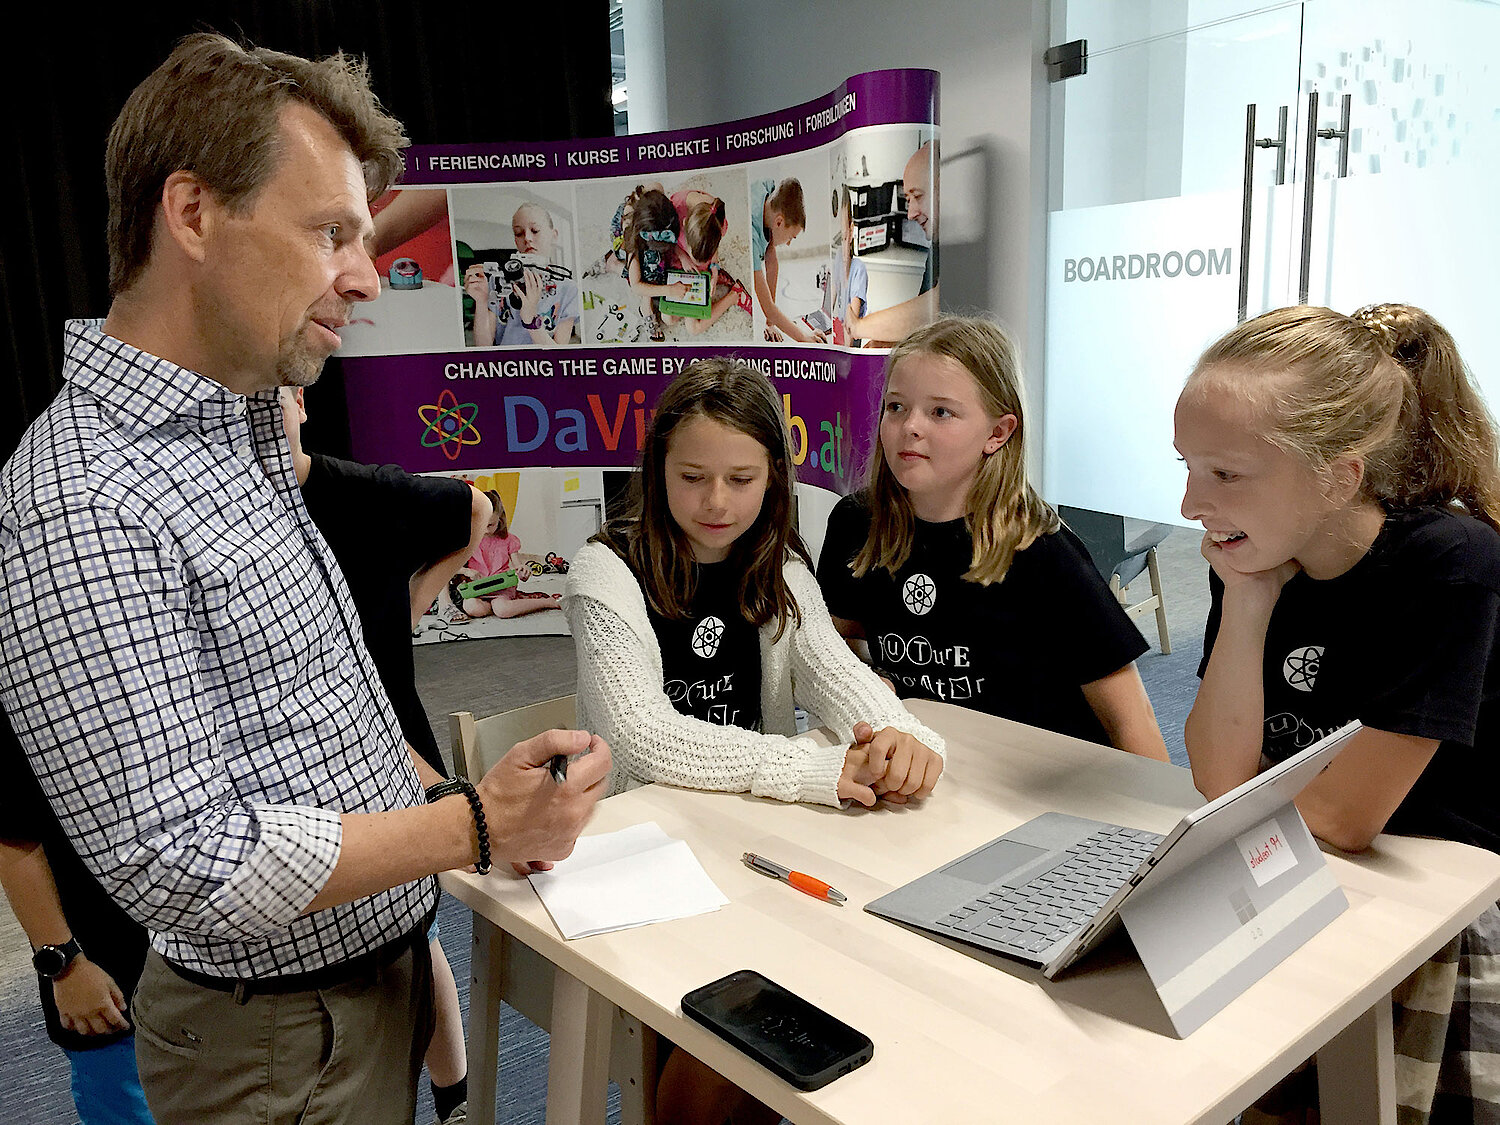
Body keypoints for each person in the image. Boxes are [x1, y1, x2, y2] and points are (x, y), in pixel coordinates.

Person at [0, 34, 609, 1125]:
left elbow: (312, 708)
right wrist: (471, 824)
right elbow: (183, 859)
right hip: (275, 1046)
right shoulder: (81, 495)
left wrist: (450, 796)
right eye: (331, 232)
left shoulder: (238, 431)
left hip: (356, 993)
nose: (368, 276)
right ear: (191, 215)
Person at [563, 356, 944, 1125]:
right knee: (738, 1015)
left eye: (741, 479)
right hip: (643, 852)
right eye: (692, 476)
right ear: (657, 468)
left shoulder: (780, 565)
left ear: (774, 475)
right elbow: (643, 739)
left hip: (749, 833)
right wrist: (813, 765)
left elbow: (841, 679)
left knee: (861, 968)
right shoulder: (603, 569)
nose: (715, 501)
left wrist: (901, 732)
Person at [1176, 302, 1500, 1124]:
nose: (1189, 504)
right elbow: (1220, 780)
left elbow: (1348, 817)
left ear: (1339, 475)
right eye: (1187, 466)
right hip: (1305, 872)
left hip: (1444, 911)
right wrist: (1247, 606)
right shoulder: (1258, 555)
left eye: (1225, 473)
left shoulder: (1449, 563)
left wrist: (1256, 801)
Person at [818, 316, 1169, 759]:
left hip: (1036, 786)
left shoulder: (1042, 552)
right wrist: (866, 685)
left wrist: (1159, 825)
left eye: (940, 412)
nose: (910, 427)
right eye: (896, 407)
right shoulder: (857, 523)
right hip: (934, 772)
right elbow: (833, 647)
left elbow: (1130, 720)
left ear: (998, 433)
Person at [281, 386, 487, 1125]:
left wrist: (411, 602)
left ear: (299, 398)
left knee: (412, 938)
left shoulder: (361, 492)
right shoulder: (232, 514)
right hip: (294, 774)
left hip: (388, 756)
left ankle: (454, 1100)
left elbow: (477, 510)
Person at [0, 708, 155, 1125]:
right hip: (100, 953)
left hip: (204, 946)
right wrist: (63, 963)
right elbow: (13, 838)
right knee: (125, 1095)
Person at [847, 141, 940, 347]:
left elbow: (938, 308)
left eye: (918, 196)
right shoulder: (936, 247)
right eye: (908, 200)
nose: (911, 214)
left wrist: (858, 326)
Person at [465, 201, 580, 346]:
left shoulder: (568, 289)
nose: (527, 238)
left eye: (535, 230)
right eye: (519, 233)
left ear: (554, 235)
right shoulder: (498, 281)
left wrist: (530, 320)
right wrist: (481, 302)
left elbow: (558, 353)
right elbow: (483, 346)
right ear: (515, 240)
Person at [455, 488, 564, 620]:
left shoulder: (508, 540)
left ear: (499, 520)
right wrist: (467, 571)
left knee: (503, 610)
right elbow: (453, 568)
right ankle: (494, 606)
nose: (485, 529)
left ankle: (547, 602)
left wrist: (523, 571)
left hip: (501, 589)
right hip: (477, 589)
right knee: (472, 608)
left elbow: (518, 568)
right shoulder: (469, 540)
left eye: (490, 524)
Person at [749, 177, 823, 344]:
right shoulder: (751, 239)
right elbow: (768, 307)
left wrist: (770, 323)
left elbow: (772, 261)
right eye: (791, 237)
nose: (788, 243)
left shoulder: (768, 194)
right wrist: (803, 337)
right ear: (779, 222)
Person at [833, 184, 869, 347]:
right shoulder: (837, 260)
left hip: (850, 338)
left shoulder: (858, 269)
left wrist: (844, 349)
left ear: (851, 229)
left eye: (844, 235)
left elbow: (852, 325)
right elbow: (831, 294)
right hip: (838, 330)